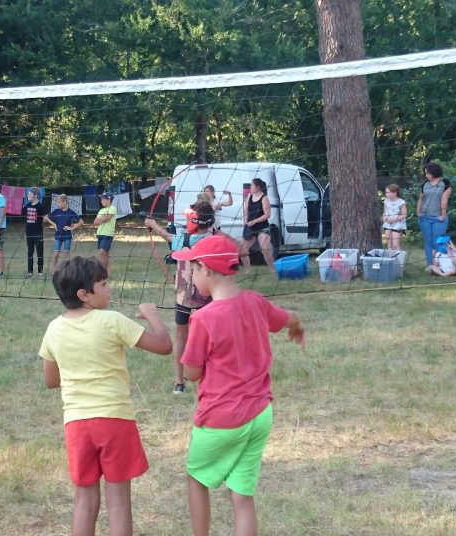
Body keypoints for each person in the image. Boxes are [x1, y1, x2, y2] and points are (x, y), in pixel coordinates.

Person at [170, 235, 305, 536]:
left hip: (222, 418)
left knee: (197, 479)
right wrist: (298, 325)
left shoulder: (203, 319)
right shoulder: (256, 302)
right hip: (260, 415)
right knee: (242, 495)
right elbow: (288, 318)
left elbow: (191, 373)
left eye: (192, 268)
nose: (189, 274)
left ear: (206, 269)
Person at [39, 256, 172, 536]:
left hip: (76, 425)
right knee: (119, 504)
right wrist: (152, 315)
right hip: (114, 420)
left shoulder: (53, 329)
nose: (110, 288)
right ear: (84, 295)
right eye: (103, 284)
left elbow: (51, 380)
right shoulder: (112, 321)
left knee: (83, 504)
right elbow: (164, 346)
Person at [145, 200, 215, 394]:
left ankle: (179, 382)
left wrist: (153, 225)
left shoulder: (182, 241)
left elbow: (167, 236)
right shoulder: (214, 240)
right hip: (207, 297)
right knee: (207, 337)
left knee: (181, 336)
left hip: (184, 297)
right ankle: (207, 377)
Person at [416, 163, 452, 272]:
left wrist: (443, 214)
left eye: (428, 173)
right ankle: (430, 265)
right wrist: (418, 211)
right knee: (428, 242)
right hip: (424, 217)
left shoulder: (445, 184)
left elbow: (444, 199)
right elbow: (421, 199)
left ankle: (440, 265)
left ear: (434, 172)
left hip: (438, 217)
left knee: (438, 241)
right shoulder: (425, 185)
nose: (426, 175)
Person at [239, 178, 275, 274]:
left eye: (251, 185)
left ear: (257, 187)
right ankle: (248, 270)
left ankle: (273, 270)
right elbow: (246, 210)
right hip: (251, 227)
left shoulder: (264, 198)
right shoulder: (249, 197)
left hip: (262, 227)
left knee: (265, 249)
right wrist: (245, 221)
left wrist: (254, 221)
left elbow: (267, 215)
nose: (250, 187)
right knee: (242, 250)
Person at [44, 194, 84, 270]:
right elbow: (46, 217)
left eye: (59, 202)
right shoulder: (56, 211)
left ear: (64, 202)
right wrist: (54, 224)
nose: (57, 204)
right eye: (57, 202)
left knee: (67, 253)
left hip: (67, 236)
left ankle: (71, 270)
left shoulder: (71, 212)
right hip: (58, 236)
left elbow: (81, 221)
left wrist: (72, 228)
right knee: (56, 254)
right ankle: (55, 270)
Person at [23, 187, 47, 278]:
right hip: (29, 233)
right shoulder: (27, 206)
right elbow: (24, 216)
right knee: (30, 252)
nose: (28, 196)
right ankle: (30, 271)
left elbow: (44, 219)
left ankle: (40, 271)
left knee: (39, 252)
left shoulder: (40, 206)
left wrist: (45, 218)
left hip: (38, 233)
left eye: (30, 194)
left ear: (36, 195)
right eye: (28, 194)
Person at [94, 192, 118, 274]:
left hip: (108, 234)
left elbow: (107, 218)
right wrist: (102, 218)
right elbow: (95, 222)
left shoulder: (112, 208)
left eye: (103, 199)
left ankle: (102, 271)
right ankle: (108, 271)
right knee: (105, 253)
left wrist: (101, 218)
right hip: (100, 233)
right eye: (101, 199)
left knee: (102, 252)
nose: (101, 201)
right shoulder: (101, 210)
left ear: (109, 200)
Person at [382, 184, 407, 251]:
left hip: (397, 225)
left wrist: (394, 219)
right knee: (390, 245)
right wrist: (384, 218)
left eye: (388, 192)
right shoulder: (386, 201)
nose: (386, 194)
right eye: (386, 192)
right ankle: (391, 261)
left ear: (394, 193)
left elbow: (404, 214)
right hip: (387, 224)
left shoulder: (401, 202)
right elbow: (384, 212)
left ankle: (399, 260)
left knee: (395, 245)